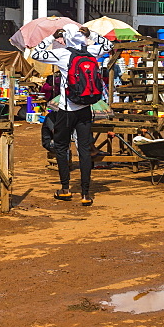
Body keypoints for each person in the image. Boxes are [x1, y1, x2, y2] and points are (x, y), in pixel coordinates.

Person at [31, 24, 112, 206]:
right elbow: (109, 46)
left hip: (67, 110)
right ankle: (85, 194)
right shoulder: (92, 51)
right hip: (86, 108)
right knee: (84, 150)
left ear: (65, 37)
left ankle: (66, 189)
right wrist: (93, 34)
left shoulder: (62, 54)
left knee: (61, 147)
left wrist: (52, 38)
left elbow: (36, 54)